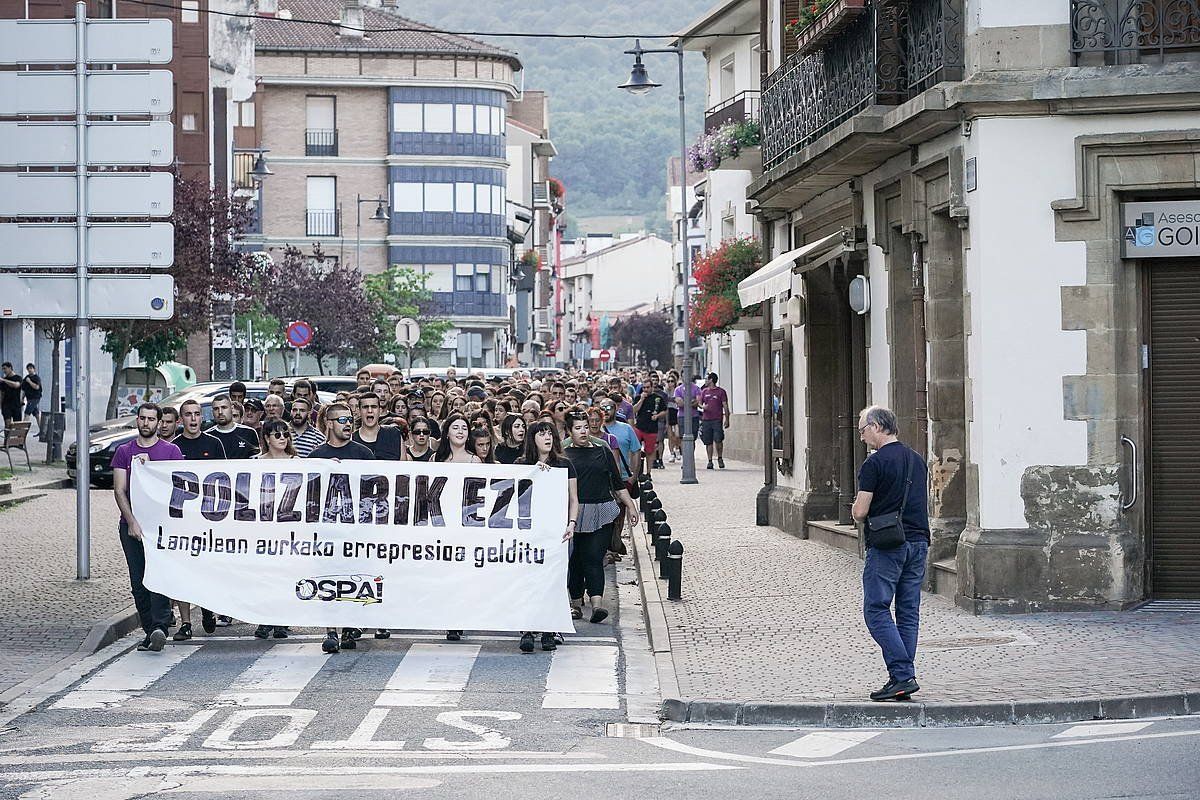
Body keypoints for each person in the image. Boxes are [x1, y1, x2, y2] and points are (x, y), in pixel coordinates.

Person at [850, 405, 929, 703]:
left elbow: (861, 511)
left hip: (888, 546)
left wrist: (855, 509)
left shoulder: (874, 464)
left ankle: (903, 674)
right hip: (918, 541)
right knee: (908, 611)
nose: (861, 436)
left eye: (862, 429)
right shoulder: (916, 460)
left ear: (877, 426)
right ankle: (901, 678)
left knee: (876, 609)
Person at [111, 403, 183, 652]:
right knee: (138, 581)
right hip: (132, 527)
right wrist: (131, 521)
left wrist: (150, 465)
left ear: (160, 422)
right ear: (137, 420)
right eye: (142, 418)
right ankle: (150, 629)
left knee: (159, 576)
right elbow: (119, 491)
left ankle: (161, 627)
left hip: (162, 527)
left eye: (152, 419)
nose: (146, 423)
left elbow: (178, 487)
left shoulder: (171, 451)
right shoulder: (123, 451)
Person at [307, 402, 375, 654]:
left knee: (351, 578)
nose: (349, 424)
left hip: (355, 528)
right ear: (329, 424)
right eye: (342, 420)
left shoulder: (364, 454)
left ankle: (349, 627)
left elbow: (373, 491)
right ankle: (331, 631)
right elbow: (309, 495)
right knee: (327, 579)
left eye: (350, 420)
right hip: (326, 529)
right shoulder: (316, 457)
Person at [563, 412, 639, 624]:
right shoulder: (562, 455)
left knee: (594, 557)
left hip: (602, 510)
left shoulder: (602, 452)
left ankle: (597, 605)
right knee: (575, 559)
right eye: (578, 428)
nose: (583, 431)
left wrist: (630, 506)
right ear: (570, 431)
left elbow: (617, 482)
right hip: (574, 513)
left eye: (585, 427)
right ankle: (575, 604)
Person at [516, 420, 578, 653]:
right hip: (530, 533)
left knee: (554, 579)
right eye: (541, 434)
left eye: (550, 434)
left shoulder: (564, 465)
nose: (547, 438)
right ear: (533, 439)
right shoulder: (522, 464)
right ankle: (528, 629)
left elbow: (573, 498)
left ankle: (549, 630)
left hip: (558, 532)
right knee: (529, 580)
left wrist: (571, 523)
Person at [171, 399, 227, 640]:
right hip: (184, 519)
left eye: (196, 414)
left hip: (209, 519)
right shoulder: (174, 447)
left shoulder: (214, 444)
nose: (193, 419)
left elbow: (227, 479)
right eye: (188, 415)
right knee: (183, 572)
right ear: (180, 419)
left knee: (208, 570)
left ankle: (208, 609)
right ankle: (185, 623)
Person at [434, 413, 479, 643]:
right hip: (443, 525)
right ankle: (448, 619)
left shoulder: (475, 461)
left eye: (464, 428)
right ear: (447, 432)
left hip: (467, 525)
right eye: (455, 427)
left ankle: (460, 618)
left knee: (463, 575)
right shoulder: (437, 459)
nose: (460, 431)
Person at [251, 418, 297, 639]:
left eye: (285, 434)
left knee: (285, 574)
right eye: (277, 434)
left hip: (289, 527)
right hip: (264, 526)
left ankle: (282, 619)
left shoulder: (297, 461)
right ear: (267, 438)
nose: (282, 438)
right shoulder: (256, 463)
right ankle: (264, 619)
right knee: (264, 576)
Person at [631, 373, 668, 475]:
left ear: (652, 387)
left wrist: (658, 416)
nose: (646, 390)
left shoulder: (658, 398)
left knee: (650, 451)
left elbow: (665, 411)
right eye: (644, 388)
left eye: (648, 387)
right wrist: (642, 399)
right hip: (639, 427)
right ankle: (636, 471)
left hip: (652, 428)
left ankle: (648, 472)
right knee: (635, 449)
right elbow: (634, 410)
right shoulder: (638, 397)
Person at [354, 391, 406, 461]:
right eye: (365, 407)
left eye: (374, 407)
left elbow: (403, 466)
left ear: (380, 411)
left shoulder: (394, 434)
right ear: (359, 411)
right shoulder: (352, 438)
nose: (369, 410)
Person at [699, 372, 731, 470]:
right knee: (708, 441)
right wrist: (703, 407)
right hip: (706, 419)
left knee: (718, 440)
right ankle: (709, 461)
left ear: (711, 380)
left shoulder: (721, 392)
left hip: (717, 419)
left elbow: (725, 405)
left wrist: (727, 419)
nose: (705, 381)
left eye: (707, 379)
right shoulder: (704, 391)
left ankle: (720, 457)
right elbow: (699, 403)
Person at [21, 363, 42, 432]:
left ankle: (21, 432)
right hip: (29, 398)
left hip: (35, 398)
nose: (29, 370)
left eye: (31, 368)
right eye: (28, 369)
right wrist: (22, 398)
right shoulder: (26, 378)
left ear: (34, 369)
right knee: (37, 415)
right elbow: (24, 390)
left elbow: (37, 387)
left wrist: (29, 381)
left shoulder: (36, 378)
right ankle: (43, 431)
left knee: (27, 414)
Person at [0, 362, 22, 427]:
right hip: (6, 405)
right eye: (3, 369)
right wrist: (1, 406)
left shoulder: (18, 378)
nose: (4, 371)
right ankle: (7, 437)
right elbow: (1, 394)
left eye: (5, 369)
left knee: (17, 425)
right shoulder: (3, 380)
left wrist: (4, 380)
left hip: (16, 404)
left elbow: (16, 385)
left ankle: (16, 437)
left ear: (10, 368)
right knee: (7, 424)